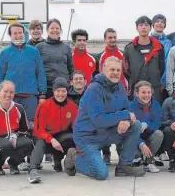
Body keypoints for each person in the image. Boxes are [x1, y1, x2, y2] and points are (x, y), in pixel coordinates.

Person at [64, 57, 145, 180]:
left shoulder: (120, 87)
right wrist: (124, 116)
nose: (116, 73)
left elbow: (128, 110)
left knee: (136, 125)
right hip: (88, 136)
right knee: (101, 174)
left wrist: (127, 121)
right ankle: (74, 158)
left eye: (118, 70)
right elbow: (98, 119)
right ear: (103, 70)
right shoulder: (94, 89)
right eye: (112, 69)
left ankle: (124, 166)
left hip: (108, 131)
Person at [0, 22, 47, 171]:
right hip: (11, 98)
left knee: (31, 129)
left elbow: (40, 72)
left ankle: (31, 160)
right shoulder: (5, 53)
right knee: (12, 130)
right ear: (10, 36)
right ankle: (13, 162)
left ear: (25, 34)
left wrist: (42, 93)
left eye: (20, 33)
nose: (18, 35)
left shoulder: (33, 51)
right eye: (15, 33)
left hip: (31, 96)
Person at [28, 77, 78, 183]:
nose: (61, 94)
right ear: (54, 92)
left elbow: (76, 129)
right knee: (40, 143)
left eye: (63, 91)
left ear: (67, 91)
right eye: (58, 91)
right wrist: (51, 139)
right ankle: (32, 169)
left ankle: (62, 161)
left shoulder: (72, 107)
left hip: (61, 137)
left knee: (73, 138)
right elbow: (38, 130)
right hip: (45, 137)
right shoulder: (44, 106)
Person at [0, 81, 34, 177]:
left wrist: (15, 135)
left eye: (11, 92)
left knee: (28, 143)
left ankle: (13, 164)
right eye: (5, 91)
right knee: (6, 144)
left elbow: (25, 129)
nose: (8, 95)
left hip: (13, 137)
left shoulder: (19, 108)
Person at [97, 28, 127, 164]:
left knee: (121, 121)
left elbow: (126, 73)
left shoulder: (122, 54)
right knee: (105, 123)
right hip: (106, 95)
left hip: (120, 93)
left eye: (114, 37)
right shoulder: (102, 56)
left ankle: (121, 151)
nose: (112, 40)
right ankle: (106, 153)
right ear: (105, 39)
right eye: (110, 37)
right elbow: (101, 75)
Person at [124, 16, 165, 102]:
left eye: (146, 25)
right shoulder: (129, 48)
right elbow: (126, 70)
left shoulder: (159, 47)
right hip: (136, 88)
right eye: (141, 25)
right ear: (136, 28)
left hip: (154, 89)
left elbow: (161, 68)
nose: (143, 27)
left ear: (150, 27)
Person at [129, 81, 164, 173]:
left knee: (159, 134)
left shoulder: (156, 105)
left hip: (149, 136)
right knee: (135, 153)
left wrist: (146, 124)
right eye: (143, 92)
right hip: (135, 139)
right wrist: (141, 144)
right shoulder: (131, 106)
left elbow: (158, 124)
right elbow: (130, 130)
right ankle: (136, 158)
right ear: (137, 93)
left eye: (149, 92)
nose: (147, 95)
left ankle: (148, 162)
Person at [36, 18, 75, 98]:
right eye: (52, 28)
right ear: (47, 30)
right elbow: (36, 69)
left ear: (60, 30)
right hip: (46, 89)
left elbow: (71, 68)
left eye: (57, 28)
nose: (55, 30)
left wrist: (71, 82)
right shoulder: (39, 47)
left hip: (64, 88)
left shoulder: (66, 48)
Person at [150, 14, 172, 100]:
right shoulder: (148, 40)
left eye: (162, 22)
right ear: (153, 24)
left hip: (166, 82)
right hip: (152, 82)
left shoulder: (169, 42)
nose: (160, 23)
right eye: (157, 21)